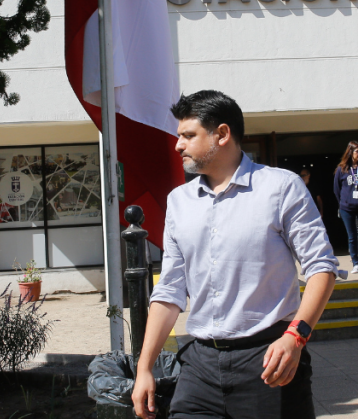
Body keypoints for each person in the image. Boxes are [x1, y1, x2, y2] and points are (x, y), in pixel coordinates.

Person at [133, 90, 338, 419]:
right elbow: (169, 290)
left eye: (188, 135)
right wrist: (144, 368)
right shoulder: (179, 202)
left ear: (222, 134)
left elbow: (322, 269)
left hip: (269, 360)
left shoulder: (281, 187)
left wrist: (295, 338)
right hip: (198, 368)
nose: (178, 145)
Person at [333, 141, 358, 275]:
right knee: (352, 237)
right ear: (350, 152)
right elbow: (336, 189)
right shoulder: (342, 168)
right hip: (347, 207)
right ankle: (355, 263)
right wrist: (343, 202)